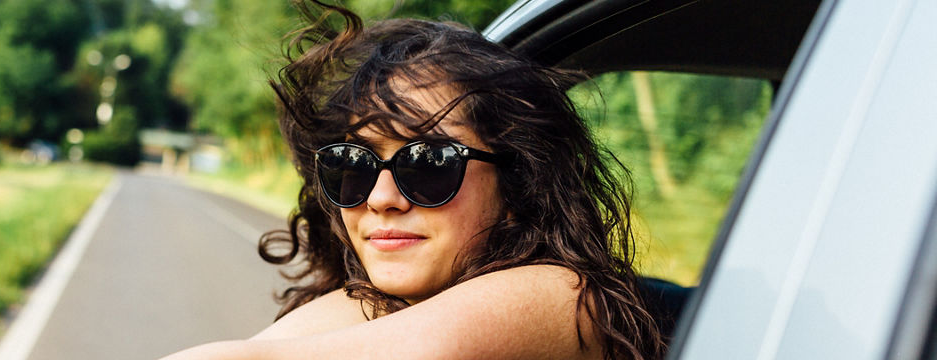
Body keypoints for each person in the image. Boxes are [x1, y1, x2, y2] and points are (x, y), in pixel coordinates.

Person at [165, 1, 665, 359]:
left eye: (427, 164)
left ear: (517, 184)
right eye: (352, 165)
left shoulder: (569, 298)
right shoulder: (388, 301)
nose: (381, 198)